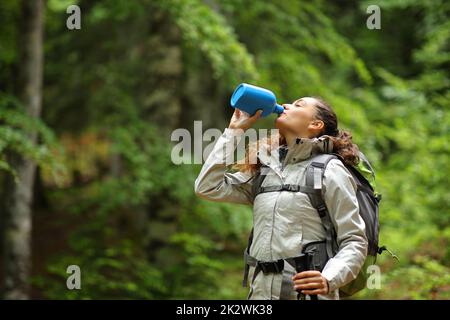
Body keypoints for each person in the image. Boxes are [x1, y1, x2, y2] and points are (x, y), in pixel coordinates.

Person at [194, 97, 368, 300]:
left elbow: (354, 240)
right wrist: (234, 131)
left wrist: (329, 278)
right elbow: (207, 187)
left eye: (299, 104)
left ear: (316, 124)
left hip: (307, 294)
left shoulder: (329, 170)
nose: (286, 106)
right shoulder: (267, 169)